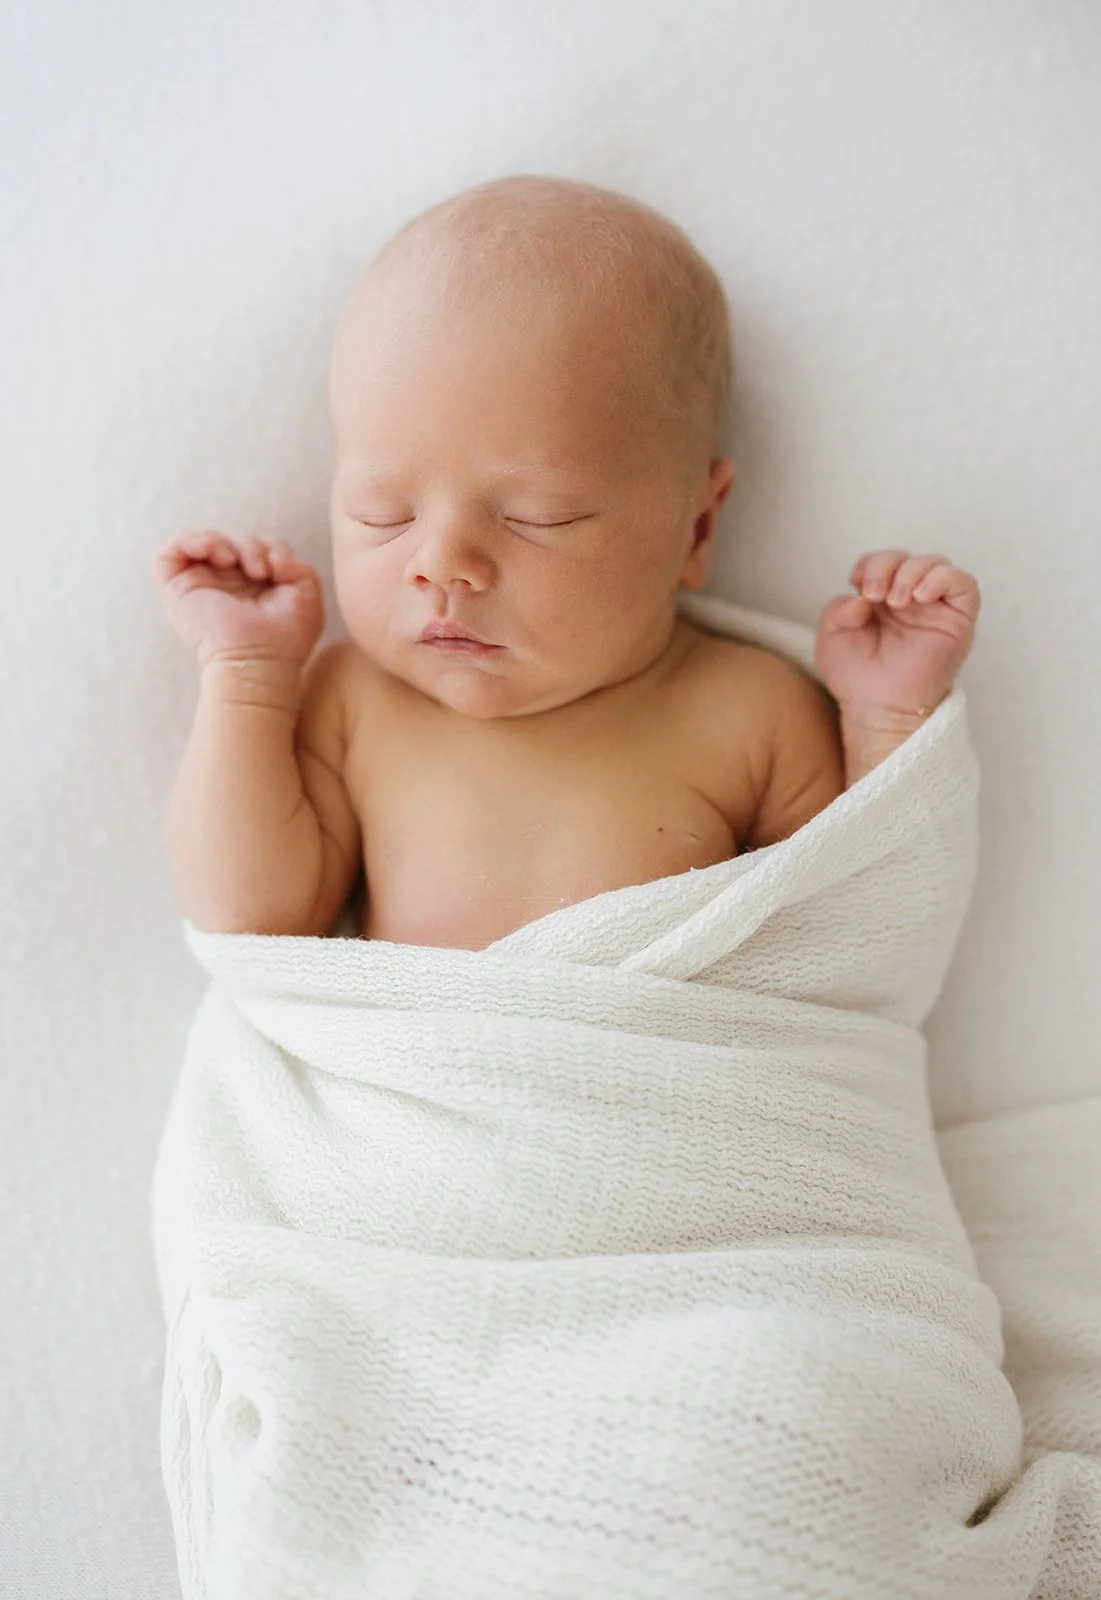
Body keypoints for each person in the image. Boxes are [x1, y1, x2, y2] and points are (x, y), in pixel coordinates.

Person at [152, 174, 980, 948]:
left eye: (534, 516)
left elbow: (860, 929)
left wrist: (885, 717)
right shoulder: (355, 706)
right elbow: (248, 914)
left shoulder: (746, 712)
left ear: (695, 528)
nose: (441, 565)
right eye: (385, 514)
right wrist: (246, 675)